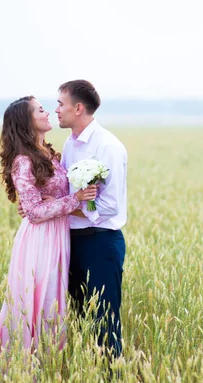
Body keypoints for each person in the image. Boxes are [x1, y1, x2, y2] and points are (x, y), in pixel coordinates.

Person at [19, 80, 128, 358]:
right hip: (68, 243)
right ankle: (87, 377)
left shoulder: (108, 147)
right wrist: (37, 204)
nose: (56, 110)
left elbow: (109, 206)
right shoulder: (69, 145)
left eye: (60, 104)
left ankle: (111, 382)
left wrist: (58, 206)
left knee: (104, 320)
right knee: (80, 319)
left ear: (78, 108)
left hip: (100, 243)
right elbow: (63, 192)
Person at [0, 96, 98, 353]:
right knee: (41, 301)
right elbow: (33, 212)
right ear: (27, 120)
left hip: (58, 235)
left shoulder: (48, 153)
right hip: (40, 240)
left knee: (55, 301)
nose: (48, 112)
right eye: (40, 110)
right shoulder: (23, 160)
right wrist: (75, 199)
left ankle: (50, 361)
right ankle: (27, 365)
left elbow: (38, 204)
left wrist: (63, 202)